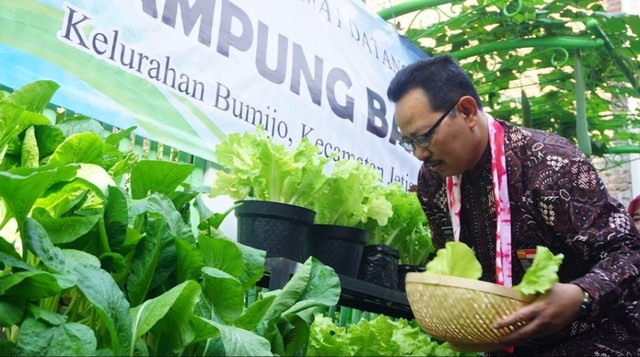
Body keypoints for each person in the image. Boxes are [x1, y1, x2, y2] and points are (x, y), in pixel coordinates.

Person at [386, 54, 640, 355]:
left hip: (598, 341)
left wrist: (581, 295)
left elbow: (629, 253)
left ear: (467, 111)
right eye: (409, 143)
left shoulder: (549, 161)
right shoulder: (433, 182)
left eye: (424, 137)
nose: (419, 154)